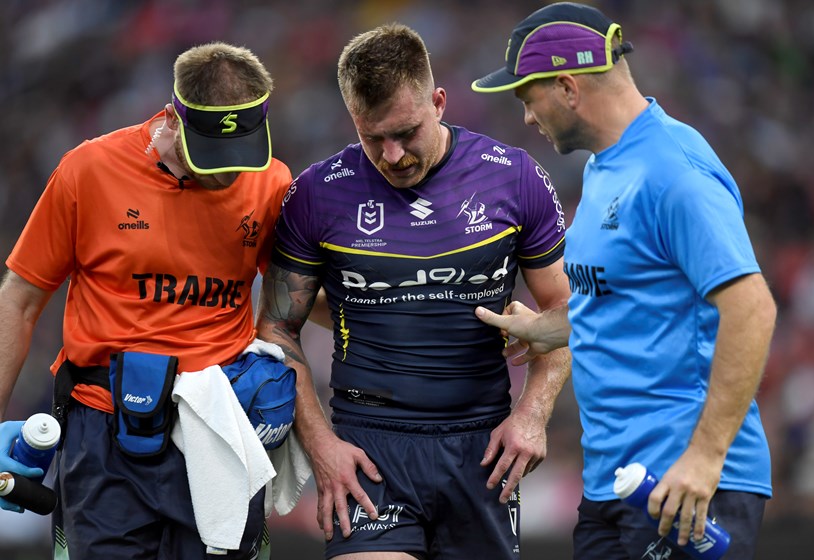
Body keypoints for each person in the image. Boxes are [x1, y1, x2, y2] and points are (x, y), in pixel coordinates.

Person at [471, 3, 777, 559]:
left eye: (527, 97)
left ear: (568, 87)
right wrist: (547, 328)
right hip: (614, 485)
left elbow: (752, 308)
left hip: (684, 481)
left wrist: (705, 458)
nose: (527, 118)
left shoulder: (673, 172)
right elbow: (627, 295)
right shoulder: (604, 166)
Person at [256, 23, 571, 559]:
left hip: (483, 449)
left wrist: (533, 414)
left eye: (406, 132)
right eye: (373, 137)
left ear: (439, 103)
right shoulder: (317, 194)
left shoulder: (514, 178)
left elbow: (566, 310)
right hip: (369, 450)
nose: (393, 154)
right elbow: (277, 327)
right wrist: (322, 445)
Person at [0, 42, 293, 558]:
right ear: (174, 119)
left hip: (221, 432)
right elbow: (20, 301)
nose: (230, 172)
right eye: (214, 155)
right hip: (102, 432)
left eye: (240, 151)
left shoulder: (271, 181)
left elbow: (295, 298)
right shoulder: (88, 170)